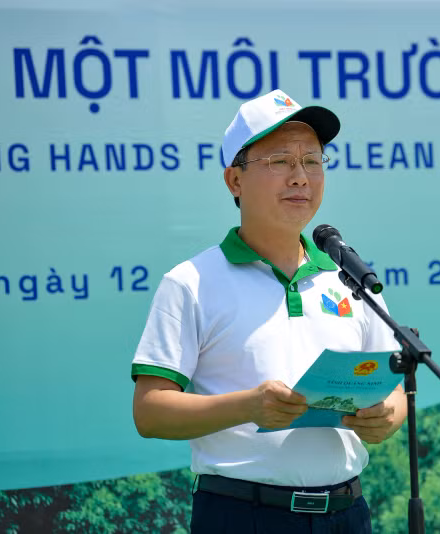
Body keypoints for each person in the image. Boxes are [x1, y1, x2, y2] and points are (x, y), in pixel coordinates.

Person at [131, 89, 407, 533]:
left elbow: (392, 384)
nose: (300, 177)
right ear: (234, 181)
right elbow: (150, 412)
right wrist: (249, 407)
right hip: (244, 515)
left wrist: (388, 414)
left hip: (348, 514)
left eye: (313, 161)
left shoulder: (348, 279)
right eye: (280, 161)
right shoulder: (191, 282)